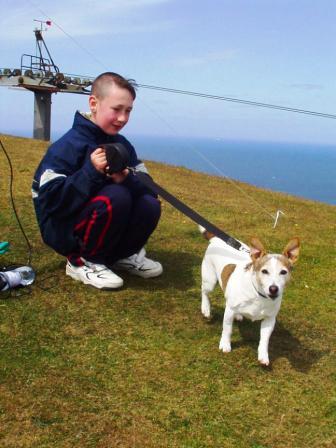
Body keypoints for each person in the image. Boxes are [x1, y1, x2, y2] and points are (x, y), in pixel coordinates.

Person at [32, 72, 162, 289]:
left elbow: (150, 189)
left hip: (102, 221)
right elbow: (51, 202)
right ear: (94, 103)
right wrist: (91, 172)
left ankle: (123, 256)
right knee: (116, 197)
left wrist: (126, 178)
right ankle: (82, 261)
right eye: (116, 109)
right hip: (63, 229)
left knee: (149, 205)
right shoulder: (67, 146)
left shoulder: (123, 145)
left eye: (128, 110)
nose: (123, 118)